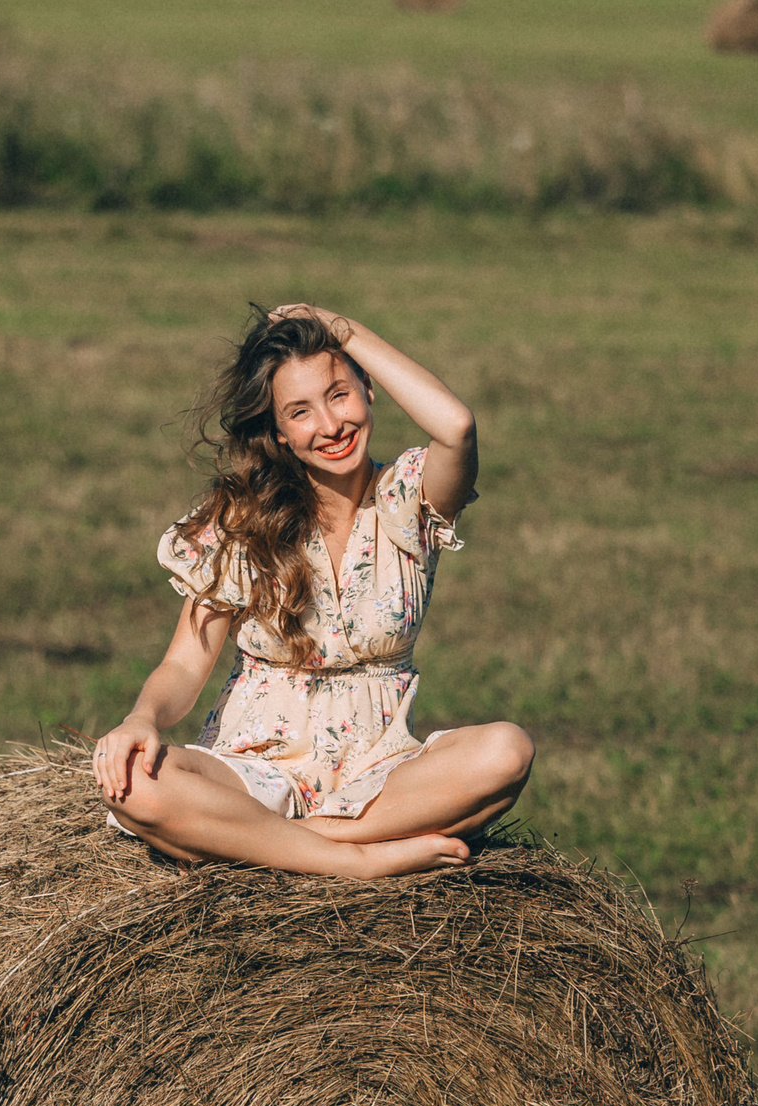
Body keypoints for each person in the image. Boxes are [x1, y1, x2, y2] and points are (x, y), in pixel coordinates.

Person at [91, 304, 532, 877]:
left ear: (369, 391)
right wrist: (142, 719)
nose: (330, 426)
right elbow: (183, 664)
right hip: (255, 770)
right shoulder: (240, 518)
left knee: (507, 752)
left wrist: (341, 329)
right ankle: (352, 863)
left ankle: (281, 843)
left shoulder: (409, 500)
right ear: (277, 431)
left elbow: (456, 426)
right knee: (137, 791)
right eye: (300, 412)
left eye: (339, 395)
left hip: (380, 778)